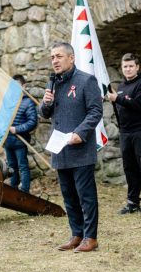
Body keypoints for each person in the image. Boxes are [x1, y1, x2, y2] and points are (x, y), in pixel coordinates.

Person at [39, 42, 102, 253]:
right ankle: (77, 234)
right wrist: (46, 102)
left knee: (86, 196)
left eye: (58, 56)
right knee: (69, 196)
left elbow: (95, 111)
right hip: (61, 149)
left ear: (71, 58)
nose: (55, 61)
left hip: (80, 148)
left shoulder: (86, 80)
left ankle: (90, 237)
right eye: (52, 57)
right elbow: (44, 114)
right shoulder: (54, 83)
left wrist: (80, 133)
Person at [107, 53, 141, 217]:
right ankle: (133, 202)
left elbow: (139, 105)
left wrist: (118, 99)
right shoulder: (122, 86)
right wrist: (116, 100)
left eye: (131, 66)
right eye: (125, 67)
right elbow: (122, 107)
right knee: (130, 168)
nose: (128, 69)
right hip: (126, 132)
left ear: (137, 67)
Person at [4, 74, 38, 193]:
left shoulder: (28, 102)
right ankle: (13, 192)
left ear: (24, 86)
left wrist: (17, 129)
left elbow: (32, 122)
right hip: (8, 141)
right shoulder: (8, 101)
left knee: (22, 167)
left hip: (20, 141)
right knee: (11, 167)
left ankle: (24, 192)